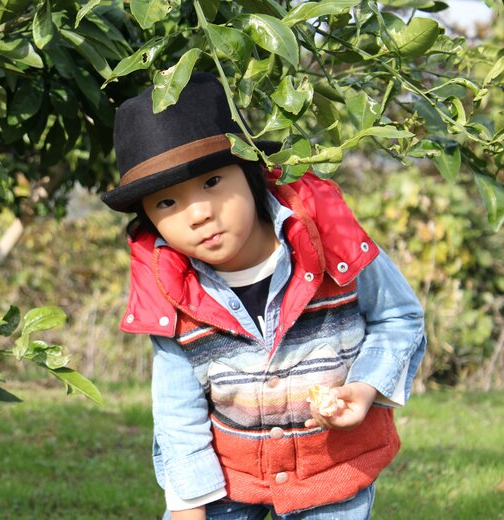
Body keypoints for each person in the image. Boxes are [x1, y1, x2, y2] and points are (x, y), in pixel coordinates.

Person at [100, 72, 426, 520]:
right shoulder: (169, 286)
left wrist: (365, 387)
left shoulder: (331, 242)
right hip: (228, 476)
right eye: (166, 203)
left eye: (212, 182)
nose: (198, 214)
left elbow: (398, 317)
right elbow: (178, 409)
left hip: (330, 467)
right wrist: (189, 503)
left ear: (252, 173)